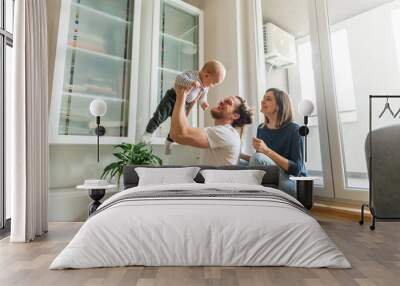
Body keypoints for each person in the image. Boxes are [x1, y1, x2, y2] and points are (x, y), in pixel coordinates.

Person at [142, 60, 226, 155]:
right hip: (172, 97)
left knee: (178, 125)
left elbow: (203, 96)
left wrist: (203, 103)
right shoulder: (193, 75)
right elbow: (179, 79)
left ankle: (169, 141)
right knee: (160, 115)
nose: (213, 86)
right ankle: (148, 133)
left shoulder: (206, 87)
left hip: (185, 104)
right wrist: (190, 82)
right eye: (214, 83)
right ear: (206, 75)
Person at [241, 88, 307, 197]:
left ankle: (251, 198)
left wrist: (266, 150)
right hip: (273, 178)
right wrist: (239, 155)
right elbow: (259, 162)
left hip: (293, 184)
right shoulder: (261, 128)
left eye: (268, 99)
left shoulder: (295, 130)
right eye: (263, 98)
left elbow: (296, 170)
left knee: (258, 158)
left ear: (279, 106)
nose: (262, 101)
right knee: (238, 163)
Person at [170, 84, 254, 166]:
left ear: (235, 116)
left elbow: (179, 134)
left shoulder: (225, 133)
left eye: (228, 102)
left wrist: (181, 95)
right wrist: (191, 104)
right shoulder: (224, 132)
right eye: (224, 100)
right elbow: (176, 132)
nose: (221, 102)